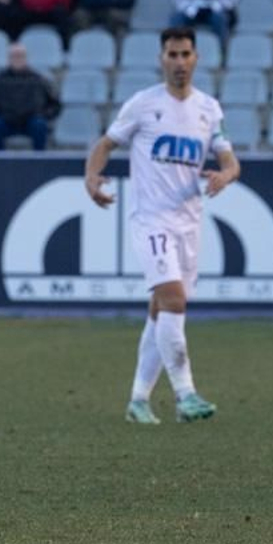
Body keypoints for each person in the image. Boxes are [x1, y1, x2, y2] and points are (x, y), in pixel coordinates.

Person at [84, 27, 239, 424]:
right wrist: (91, 177)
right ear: (161, 58)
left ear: (196, 58)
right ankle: (186, 395)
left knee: (161, 312)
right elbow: (106, 144)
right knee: (173, 301)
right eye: (172, 54)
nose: (180, 62)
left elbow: (229, 159)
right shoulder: (143, 104)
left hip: (189, 223)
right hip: (151, 220)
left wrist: (225, 175)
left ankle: (138, 400)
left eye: (186, 54)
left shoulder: (208, 109)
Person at [0, 43, 60, 150]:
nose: (17, 59)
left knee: (39, 124)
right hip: (6, 121)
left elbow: (54, 104)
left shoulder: (38, 80)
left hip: (31, 122)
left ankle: (39, 163)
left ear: (26, 58)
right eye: (14, 56)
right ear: (8, 59)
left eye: (20, 55)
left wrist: (43, 114)